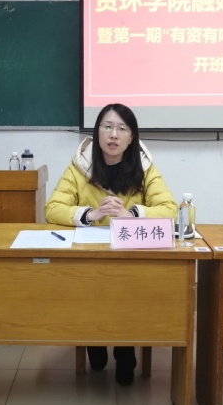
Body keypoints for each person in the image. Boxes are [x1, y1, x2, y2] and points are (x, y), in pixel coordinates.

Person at [45, 103, 177, 385]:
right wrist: (90, 215)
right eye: (107, 127)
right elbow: (53, 208)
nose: (113, 134)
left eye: (121, 128)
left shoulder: (145, 168)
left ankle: (125, 349)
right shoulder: (80, 166)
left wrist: (131, 215)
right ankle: (94, 341)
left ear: (131, 137)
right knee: (91, 291)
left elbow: (169, 209)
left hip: (130, 260)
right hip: (89, 260)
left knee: (126, 293)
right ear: (97, 132)